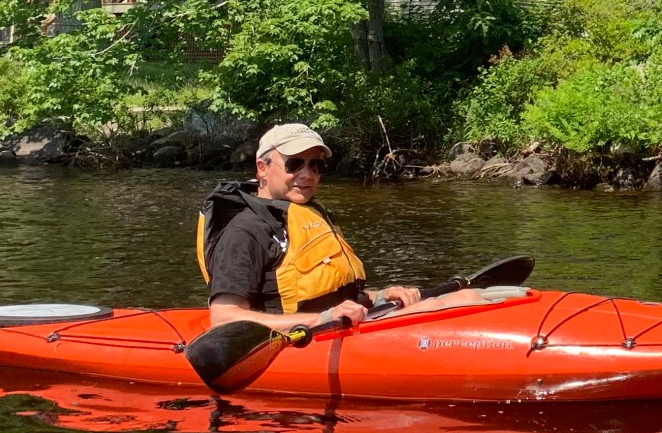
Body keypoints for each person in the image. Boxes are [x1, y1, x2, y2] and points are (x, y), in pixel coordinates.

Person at [197, 122, 484, 332]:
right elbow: (224, 317)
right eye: (294, 164)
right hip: (307, 339)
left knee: (467, 297)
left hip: (344, 326)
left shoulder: (310, 216)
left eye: (316, 166)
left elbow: (335, 297)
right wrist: (320, 319)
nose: (307, 174)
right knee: (439, 307)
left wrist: (381, 295)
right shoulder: (244, 231)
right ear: (262, 168)